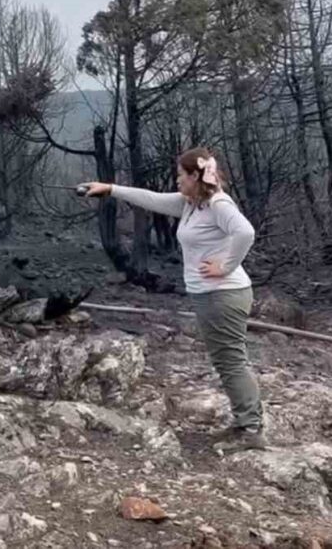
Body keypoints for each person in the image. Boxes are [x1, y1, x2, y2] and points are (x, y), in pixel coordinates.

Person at [80, 147, 265, 451]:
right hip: (211, 295)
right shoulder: (192, 204)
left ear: (195, 176)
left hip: (224, 295)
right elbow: (150, 198)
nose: (177, 180)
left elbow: (245, 232)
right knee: (226, 360)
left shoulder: (218, 204)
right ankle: (244, 423)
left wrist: (226, 265)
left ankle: (251, 429)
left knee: (231, 361)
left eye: (181, 174)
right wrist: (110, 189)